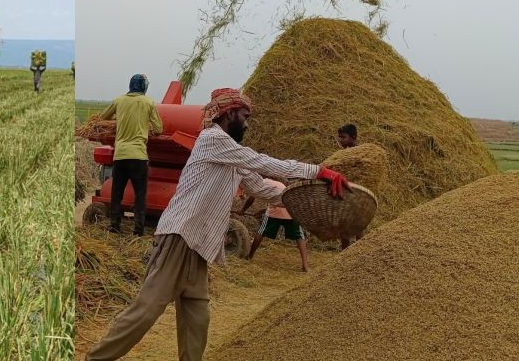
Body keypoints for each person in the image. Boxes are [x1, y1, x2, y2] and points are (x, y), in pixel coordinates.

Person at [85, 88, 350, 361]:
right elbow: (261, 162)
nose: (247, 123)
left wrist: (312, 195)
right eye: (244, 115)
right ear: (228, 112)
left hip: (199, 245)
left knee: (197, 318)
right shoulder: (212, 139)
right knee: (145, 312)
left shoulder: (230, 156)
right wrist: (318, 170)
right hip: (179, 236)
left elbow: (261, 187)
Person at [98, 74, 163, 236]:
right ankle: (138, 230)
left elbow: (103, 117)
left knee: (116, 193)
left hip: (120, 155)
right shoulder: (148, 103)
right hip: (139, 156)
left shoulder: (119, 101)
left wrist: (119, 121)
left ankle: (114, 226)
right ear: (143, 87)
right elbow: (159, 128)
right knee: (140, 194)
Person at [243, 178, 310, 272]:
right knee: (299, 236)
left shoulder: (257, 185)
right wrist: (263, 211)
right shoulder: (275, 183)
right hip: (291, 210)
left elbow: (250, 199)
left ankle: (249, 256)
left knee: (261, 232)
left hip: (275, 211)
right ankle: (305, 265)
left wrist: (242, 210)